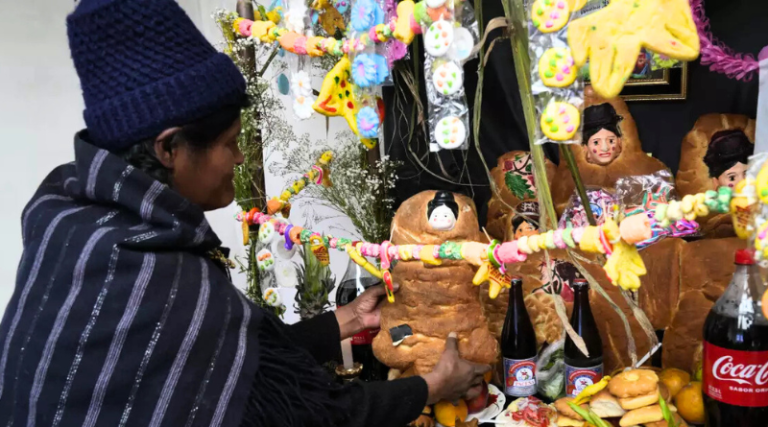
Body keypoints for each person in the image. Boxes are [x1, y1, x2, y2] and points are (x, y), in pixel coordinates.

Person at [0, 1, 489, 426]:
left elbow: (235, 356)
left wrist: (339, 322)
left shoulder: (70, 220)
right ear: (170, 148)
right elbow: (313, 412)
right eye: (230, 143)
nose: (238, 159)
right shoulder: (163, 278)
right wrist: (431, 386)